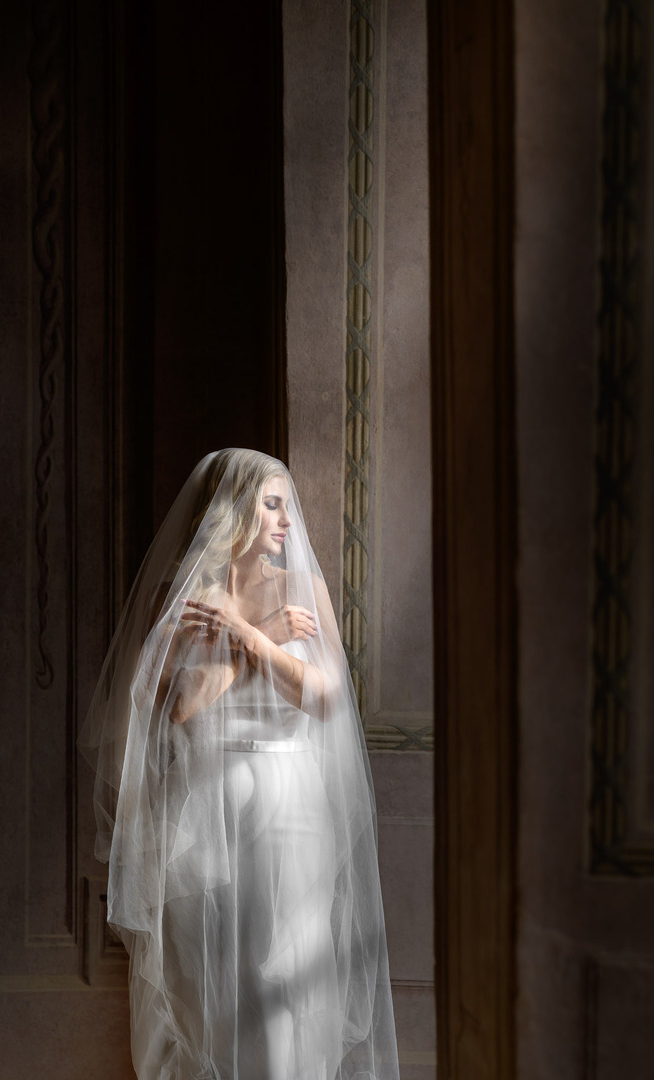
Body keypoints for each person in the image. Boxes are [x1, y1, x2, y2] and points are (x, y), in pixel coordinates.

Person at [79, 448, 400, 1080]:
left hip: (290, 801)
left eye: (288, 504)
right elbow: (182, 708)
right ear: (236, 510)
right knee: (212, 977)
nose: (287, 520)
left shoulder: (303, 589)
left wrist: (252, 635)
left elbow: (328, 697)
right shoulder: (190, 598)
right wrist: (261, 639)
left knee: (284, 967)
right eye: (272, 504)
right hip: (208, 803)